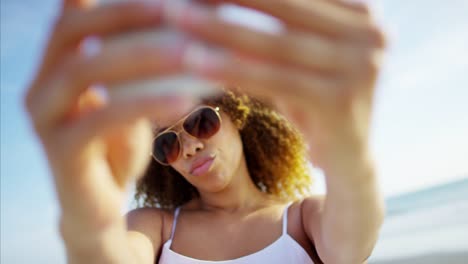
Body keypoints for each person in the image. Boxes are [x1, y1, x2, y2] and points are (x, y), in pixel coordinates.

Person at [24, 0, 386, 263]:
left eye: (200, 123)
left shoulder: (303, 219)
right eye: (168, 143)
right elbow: (110, 252)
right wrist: (84, 213)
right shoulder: (158, 228)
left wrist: (348, 152)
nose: (190, 148)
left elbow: (351, 245)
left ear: (237, 115)